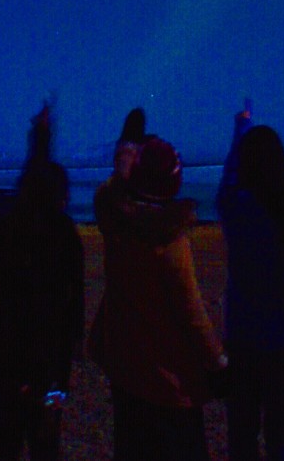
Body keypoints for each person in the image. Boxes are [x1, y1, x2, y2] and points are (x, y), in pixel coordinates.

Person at [91, 130, 226, 461]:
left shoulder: (115, 222)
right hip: (167, 380)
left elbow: (106, 195)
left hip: (125, 367)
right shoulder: (171, 244)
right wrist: (218, 362)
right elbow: (191, 314)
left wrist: (124, 166)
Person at [215, 99, 284, 461]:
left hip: (243, 335)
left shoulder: (237, 211)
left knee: (242, 432)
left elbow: (228, 181)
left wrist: (241, 130)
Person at [0, 102, 85, 461]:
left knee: (6, 439)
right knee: (46, 443)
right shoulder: (62, 234)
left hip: (6, 364)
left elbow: (24, 201)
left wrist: (39, 143)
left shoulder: (9, 230)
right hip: (51, 367)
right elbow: (76, 297)